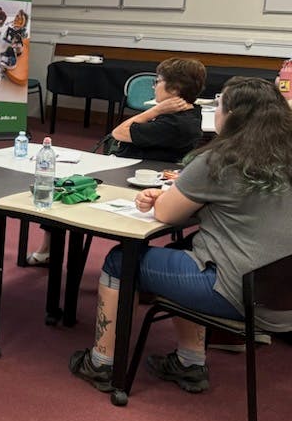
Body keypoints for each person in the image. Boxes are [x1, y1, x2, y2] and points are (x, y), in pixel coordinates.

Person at [69, 77, 292, 394]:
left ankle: (102, 363)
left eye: (219, 106)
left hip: (238, 293)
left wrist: (162, 198)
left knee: (121, 260)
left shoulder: (219, 160)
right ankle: (188, 364)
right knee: (188, 246)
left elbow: (166, 215)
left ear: (231, 115)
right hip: (282, 296)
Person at [27, 57, 207, 265]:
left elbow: (118, 132)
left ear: (174, 89)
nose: (154, 86)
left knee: (69, 187)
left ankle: (46, 250)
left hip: (134, 179)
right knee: (70, 179)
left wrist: (154, 111)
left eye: (157, 81)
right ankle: (47, 249)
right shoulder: (190, 113)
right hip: (131, 169)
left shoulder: (173, 123)